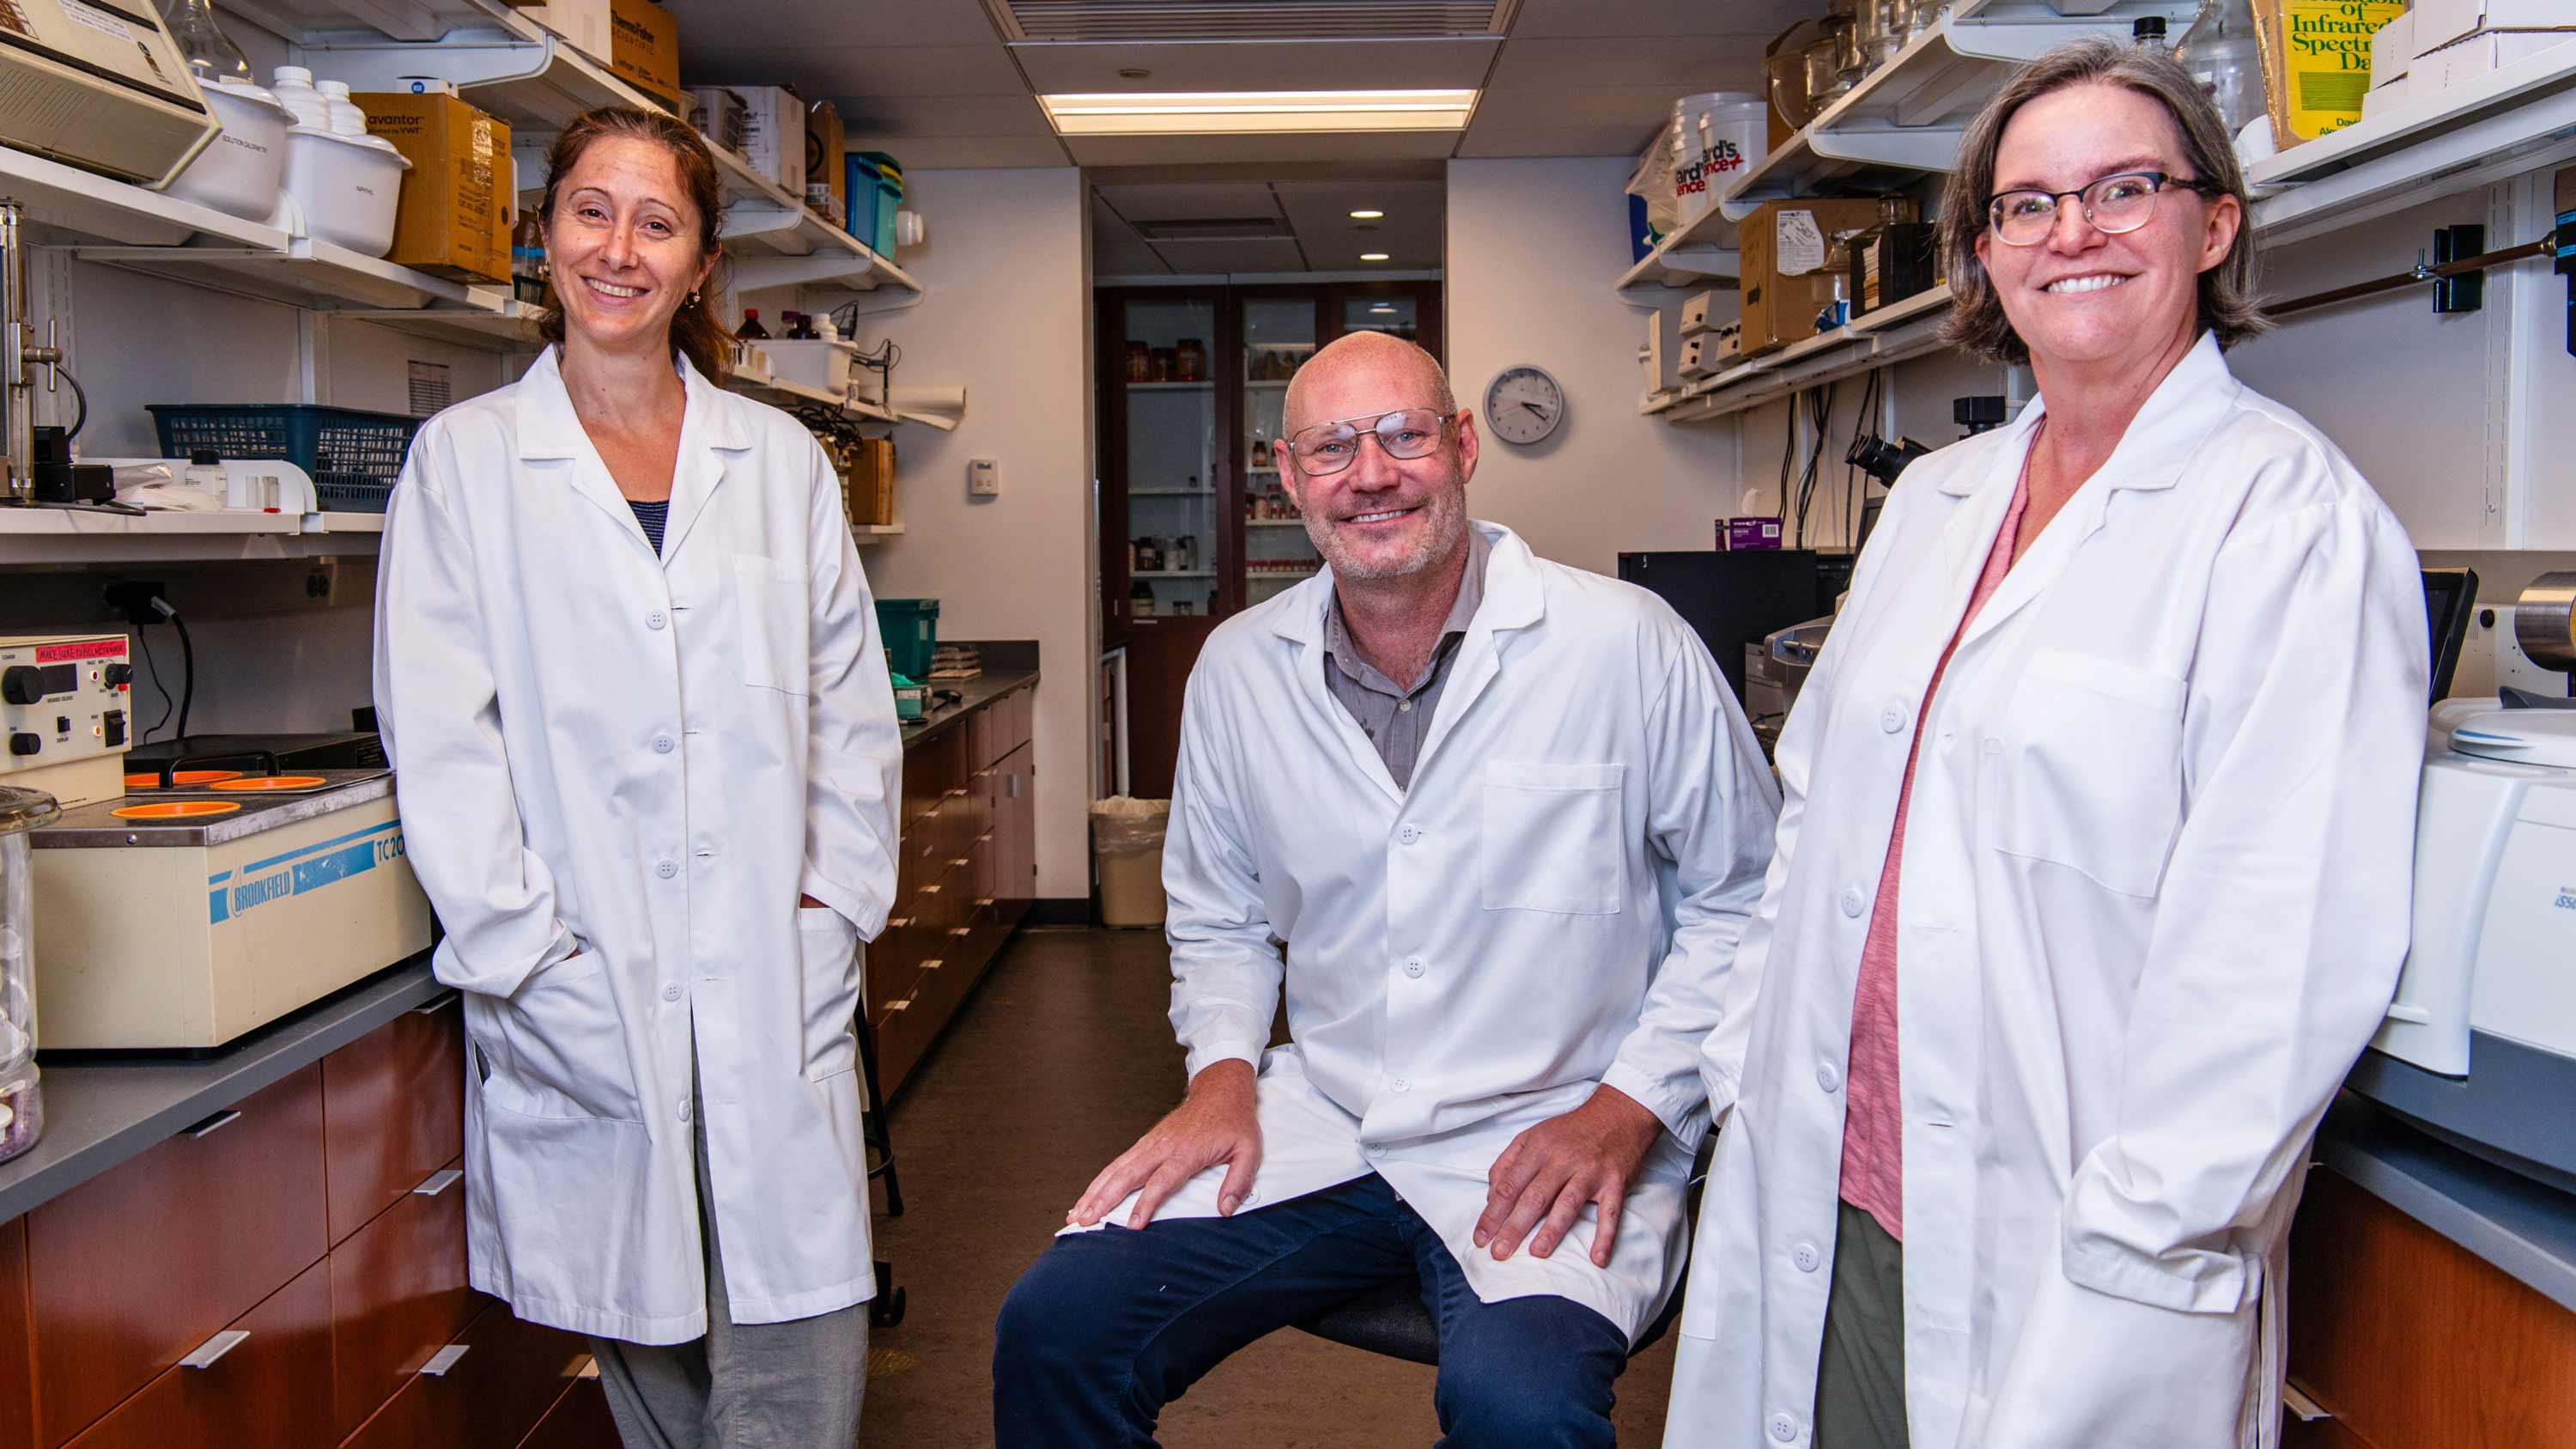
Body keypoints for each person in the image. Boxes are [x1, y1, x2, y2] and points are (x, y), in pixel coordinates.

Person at [1662, 40, 2428, 1449]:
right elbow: (1815, 809)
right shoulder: (1940, 499)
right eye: (2028, 203)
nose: (2073, 232)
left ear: (2214, 225)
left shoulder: (2289, 524)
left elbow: (2277, 957)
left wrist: (2140, 1243)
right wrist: (1742, 1059)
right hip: (1826, 1183)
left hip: (2072, 1247)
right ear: (1987, 253)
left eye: (2124, 187)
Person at [993, 330, 1783, 1446]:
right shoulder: (1237, 669)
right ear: (1288, 476)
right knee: (1056, 1328)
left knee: (1520, 1411)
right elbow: (1218, 913)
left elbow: (1743, 899)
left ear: (1461, 446)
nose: (1371, 474)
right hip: (1330, 1115)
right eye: (1333, 448)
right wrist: (1220, 1079)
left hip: (1554, 1123)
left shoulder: (1623, 645)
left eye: (1405, 435)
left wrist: (1628, 1111)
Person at [372, 107, 902, 1449]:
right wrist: (528, 957)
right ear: (543, 235)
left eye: (656, 222)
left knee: (796, 1366)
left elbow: (849, 716)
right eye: (591, 213)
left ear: (702, 263)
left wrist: (833, 910)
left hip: (773, 986)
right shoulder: (466, 466)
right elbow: (442, 745)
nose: (619, 249)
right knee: (651, 1367)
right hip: (582, 981)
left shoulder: (778, 466)